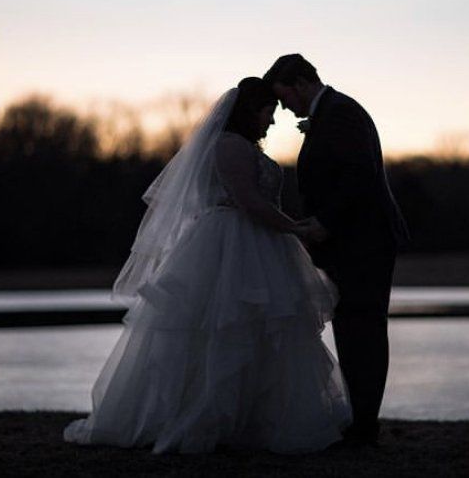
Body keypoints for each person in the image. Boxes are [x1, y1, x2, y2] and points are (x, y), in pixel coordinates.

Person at [64, 77, 351, 454]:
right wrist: (296, 228)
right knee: (223, 331)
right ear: (249, 111)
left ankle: (254, 421)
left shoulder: (244, 146)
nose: (272, 121)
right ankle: (208, 420)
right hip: (230, 245)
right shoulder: (230, 146)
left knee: (264, 335)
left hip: (260, 243)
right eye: (268, 112)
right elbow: (248, 201)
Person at [264, 55, 409, 447]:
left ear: (302, 82)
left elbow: (359, 176)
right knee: (353, 327)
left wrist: (325, 222)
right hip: (353, 241)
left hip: (364, 241)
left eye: (284, 97)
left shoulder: (341, 113)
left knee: (364, 328)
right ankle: (361, 420)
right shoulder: (332, 113)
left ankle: (365, 424)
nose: (284, 108)